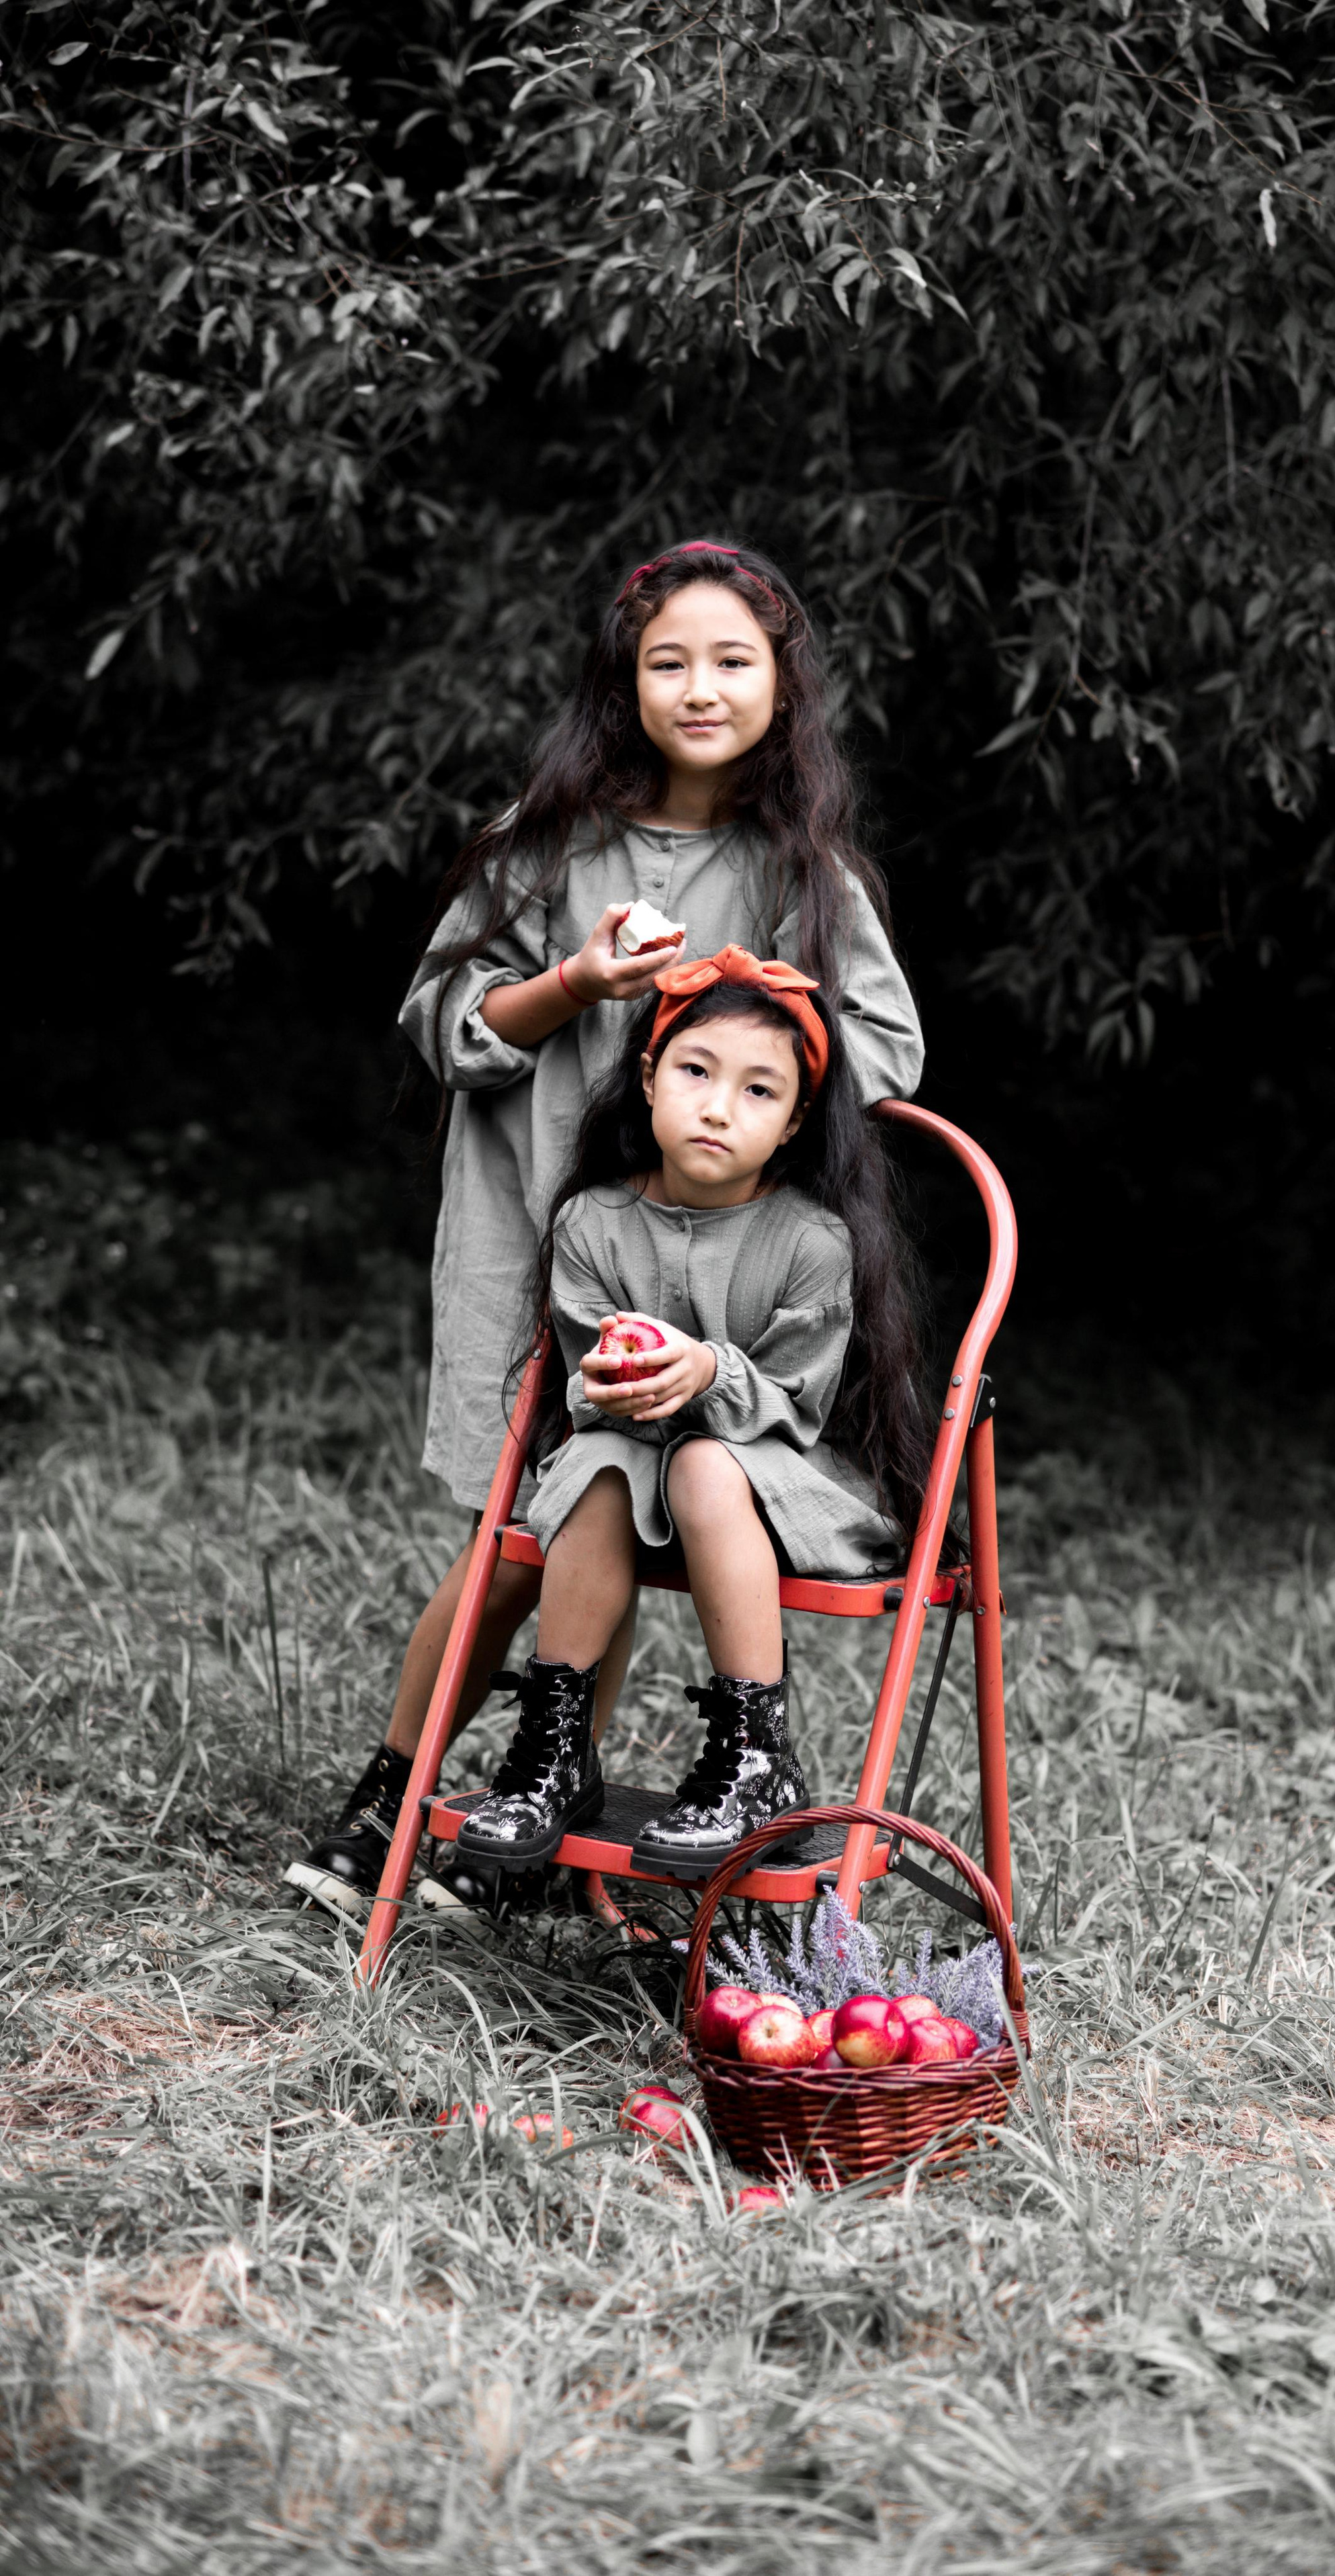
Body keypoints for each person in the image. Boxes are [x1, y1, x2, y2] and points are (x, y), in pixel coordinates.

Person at [285, 541, 922, 1924]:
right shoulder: (550, 845)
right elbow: (443, 1022)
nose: (699, 687)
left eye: (731, 659)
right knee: (514, 1532)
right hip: (532, 1236)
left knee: (615, 1505)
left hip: (715, 1267)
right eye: (667, 661)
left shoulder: (799, 873)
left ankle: (527, 1814)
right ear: (621, 685)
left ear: (782, 687)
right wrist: (576, 979)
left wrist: (751, 1008)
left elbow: (883, 1058)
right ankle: (390, 1807)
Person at [452, 944, 932, 1879]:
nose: (719, 1107)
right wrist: (630, 1382)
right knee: (594, 1463)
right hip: (632, 1466)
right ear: (648, 1078)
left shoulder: (811, 1241)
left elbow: (795, 1405)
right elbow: (591, 1386)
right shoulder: (592, 1221)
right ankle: (555, 1751)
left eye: (760, 1091)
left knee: (706, 1461)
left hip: (782, 1479)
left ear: (796, 1122)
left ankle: (755, 1759)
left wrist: (709, 1372)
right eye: (697, 1072)